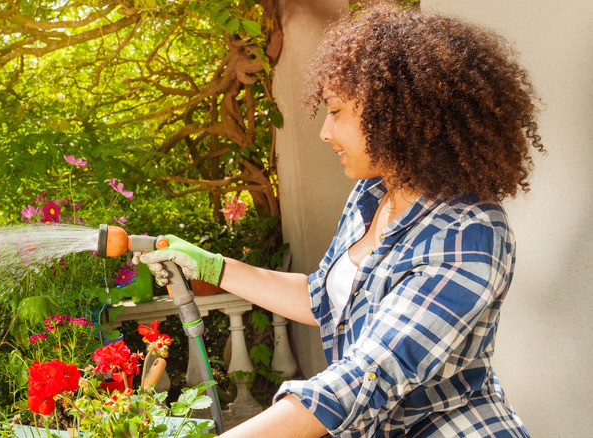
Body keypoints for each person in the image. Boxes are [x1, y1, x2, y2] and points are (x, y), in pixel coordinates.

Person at [136, 3, 543, 437]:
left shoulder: (467, 232)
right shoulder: (372, 196)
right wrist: (215, 267)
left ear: (395, 114)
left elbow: (369, 375)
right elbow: (324, 299)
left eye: (336, 111)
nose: (325, 131)